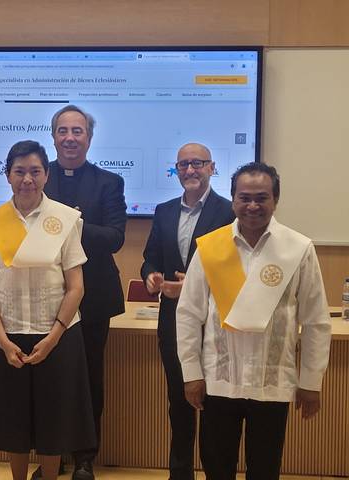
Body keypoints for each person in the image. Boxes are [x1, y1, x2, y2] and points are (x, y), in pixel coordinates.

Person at [176, 162, 332, 480]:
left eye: (262, 198)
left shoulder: (298, 249)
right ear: (233, 199)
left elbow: (316, 321)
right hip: (219, 380)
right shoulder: (211, 248)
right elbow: (189, 314)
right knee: (217, 468)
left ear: (275, 200)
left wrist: (310, 382)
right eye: (244, 197)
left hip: (272, 383)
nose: (252, 206)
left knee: (265, 469)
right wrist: (191, 374)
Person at [0, 140, 96, 480]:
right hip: (8, 336)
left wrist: (55, 335)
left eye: (35, 172)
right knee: (14, 422)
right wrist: (2, 340)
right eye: (19, 171)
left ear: (46, 174)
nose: (28, 179)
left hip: (58, 335)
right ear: (8, 175)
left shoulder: (66, 219)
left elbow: (76, 286)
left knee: (54, 424)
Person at [41, 104, 126, 480]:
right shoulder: (37, 179)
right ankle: (51, 455)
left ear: (89, 138)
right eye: (63, 130)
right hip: (45, 295)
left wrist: (71, 223)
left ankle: (86, 457)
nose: (70, 138)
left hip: (92, 296)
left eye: (77, 131)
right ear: (54, 136)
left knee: (90, 377)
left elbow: (115, 237)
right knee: (50, 377)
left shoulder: (108, 182)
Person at [140, 143, 234, 479]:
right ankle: (179, 473)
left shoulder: (228, 211)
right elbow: (150, 256)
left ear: (212, 168)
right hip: (172, 322)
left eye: (197, 164)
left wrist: (193, 288)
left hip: (214, 322)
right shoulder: (164, 210)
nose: (190, 170)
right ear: (176, 171)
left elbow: (233, 272)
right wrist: (150, 275)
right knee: (178, 403)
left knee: (212, 406)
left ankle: (215, 472)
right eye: (183, 165)